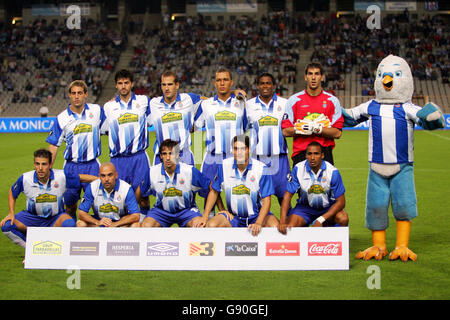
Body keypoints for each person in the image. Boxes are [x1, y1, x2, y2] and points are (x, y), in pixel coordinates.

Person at [0, 149, 97, 248]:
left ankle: (57, 248)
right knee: (6, 225)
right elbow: (12, 193)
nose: (40, 168)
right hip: (32, 218)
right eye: (37, 164)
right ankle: (31, 249)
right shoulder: (25, 178)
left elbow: (81, 177)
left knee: (70, 224)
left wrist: (100, 180)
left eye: (44, 164)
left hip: (55, 218)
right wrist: (11, 213)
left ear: (50, 165)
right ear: (34, 164)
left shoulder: (61, 176)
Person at [46, 80, 106, 218]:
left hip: (93, 165)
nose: (77, 96)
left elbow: (110, 127)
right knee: (70, 206)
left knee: (98, 205)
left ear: (86, 94)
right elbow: (54, 145)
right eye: (73, 93)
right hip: (71, 167)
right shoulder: (62, 118)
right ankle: (70, 235)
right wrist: (48, 170)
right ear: (69, 95)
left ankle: (98, 236)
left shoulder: (96, 111)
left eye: (80, 93)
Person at [205, 135, 279, 236]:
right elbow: (214, 191)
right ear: (232, 150)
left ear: (249, 149)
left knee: (275, 227)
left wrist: (258, 222)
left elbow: (267, 201)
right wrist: (207, 216)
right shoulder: (223, 166)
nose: (239, 152)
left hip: (257, 215)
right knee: (211, 225)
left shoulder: (262, 169)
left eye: (243, 149)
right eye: (236, 149)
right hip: (234, 217)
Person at [102, 69, 151, 216]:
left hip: (139, 157)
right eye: (120, 83)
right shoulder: (108, 107)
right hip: (118, 159)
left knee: (143, 197)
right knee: (118, 198)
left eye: (126, 83)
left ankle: (143, 229)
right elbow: (101, 129)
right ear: (116, 85)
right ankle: (121, 228)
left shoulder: (143, 101)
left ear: (132, 84)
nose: (123, 86)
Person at [193, 68, 248, 198]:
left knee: (238, 195)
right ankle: (210, 217)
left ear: (232, 82)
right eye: (219, 80)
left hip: (235, 158)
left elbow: (247, 126)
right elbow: (194, 127)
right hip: (212, 158)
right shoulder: (206, 104)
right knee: (208, 195)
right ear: (214, 83)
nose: (222, 83)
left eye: (225, 80)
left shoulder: (241, 103)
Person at [278, 142, 348, 234]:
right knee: (290, 225)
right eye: (309, 154)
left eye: (316, 154)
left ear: (322, 155)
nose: (312, 157)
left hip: (327, 207)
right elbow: (287, 196)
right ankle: (304, 229)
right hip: (305, 208)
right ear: (306, 155)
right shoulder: (298, 169)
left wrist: (321, 219)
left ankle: (329, 229)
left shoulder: (332, 171)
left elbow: (341, 202)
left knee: (343, 218)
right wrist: (283, 221)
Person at [281, 62, 344, 166]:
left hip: (325, 153)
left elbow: (337, 133)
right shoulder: (294, 100)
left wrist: (317, 128)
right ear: (306, 77)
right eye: (310, 74)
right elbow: (285, 131)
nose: (313, 78)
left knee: (324, 183)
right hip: (301, 152)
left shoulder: (332, 101)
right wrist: (303, 128)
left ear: (322, 77)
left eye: (317, 74)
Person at [138, 139, 211, 228]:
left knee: (199, 226)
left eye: (171, 153)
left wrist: (205, 216)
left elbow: (211, 188)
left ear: (177, 155)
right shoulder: (152, 172)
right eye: (164, 154)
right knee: (146, 226)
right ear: (160, 156)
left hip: (186, 211)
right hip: (161, 212)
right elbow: (141, 190)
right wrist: (139, 210)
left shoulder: (189, 171)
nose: (168, 158)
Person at [246, 72, 289, 205]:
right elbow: (243, 128)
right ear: (257, 86)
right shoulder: (249, 105)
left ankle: (287, 223)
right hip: (258, 159)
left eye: (268, 83)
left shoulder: (285, 103)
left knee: (284, 199)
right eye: (262, 83)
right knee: (257, 199)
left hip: (280, 158)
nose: (265, 86)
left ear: (274, 85)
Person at [148, 71, 202, 166]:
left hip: (183, 155)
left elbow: (209, 101)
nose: (166, 88)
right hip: (161, 157)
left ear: (177, 85)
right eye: (163, 85)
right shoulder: (153, 104)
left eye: (170, 84)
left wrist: (232, 93)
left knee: (188, 181)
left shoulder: (189, 99)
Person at [76, 162, 140, 227]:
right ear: (99, 176)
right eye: (103, 176)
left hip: (120, 223)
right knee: (80, 223)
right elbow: (81, 213)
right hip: (100, 221)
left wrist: (115, 224)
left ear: (116, 175)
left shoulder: (126, 188)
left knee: (136, 225)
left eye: (110, 175)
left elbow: (136, 215)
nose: (106, 179)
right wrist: (97, 222)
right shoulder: (92, 187)